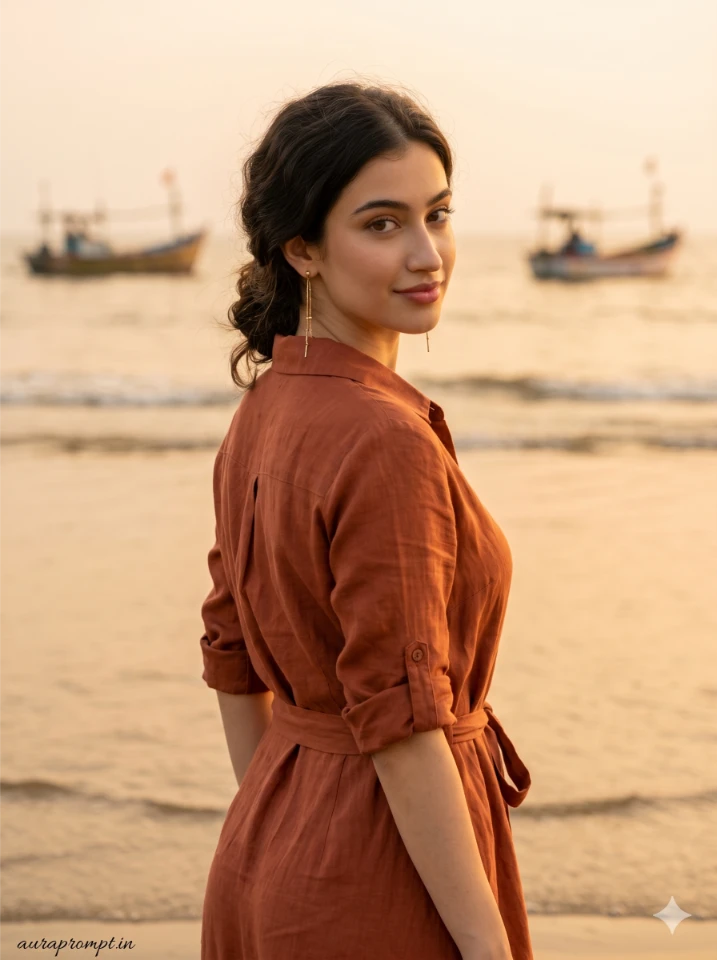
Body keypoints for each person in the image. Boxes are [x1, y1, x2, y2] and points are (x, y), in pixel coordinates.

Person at [199, 79, 533, 960]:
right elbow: (404, 725)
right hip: (378, 884)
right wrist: (487, 948)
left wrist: (289, 825)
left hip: (267, 854)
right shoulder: (382, 440)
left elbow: (232, 659)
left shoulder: (264, 410)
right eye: (382, 224)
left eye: (438, 215)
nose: (427, 254)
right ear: (302, 249)